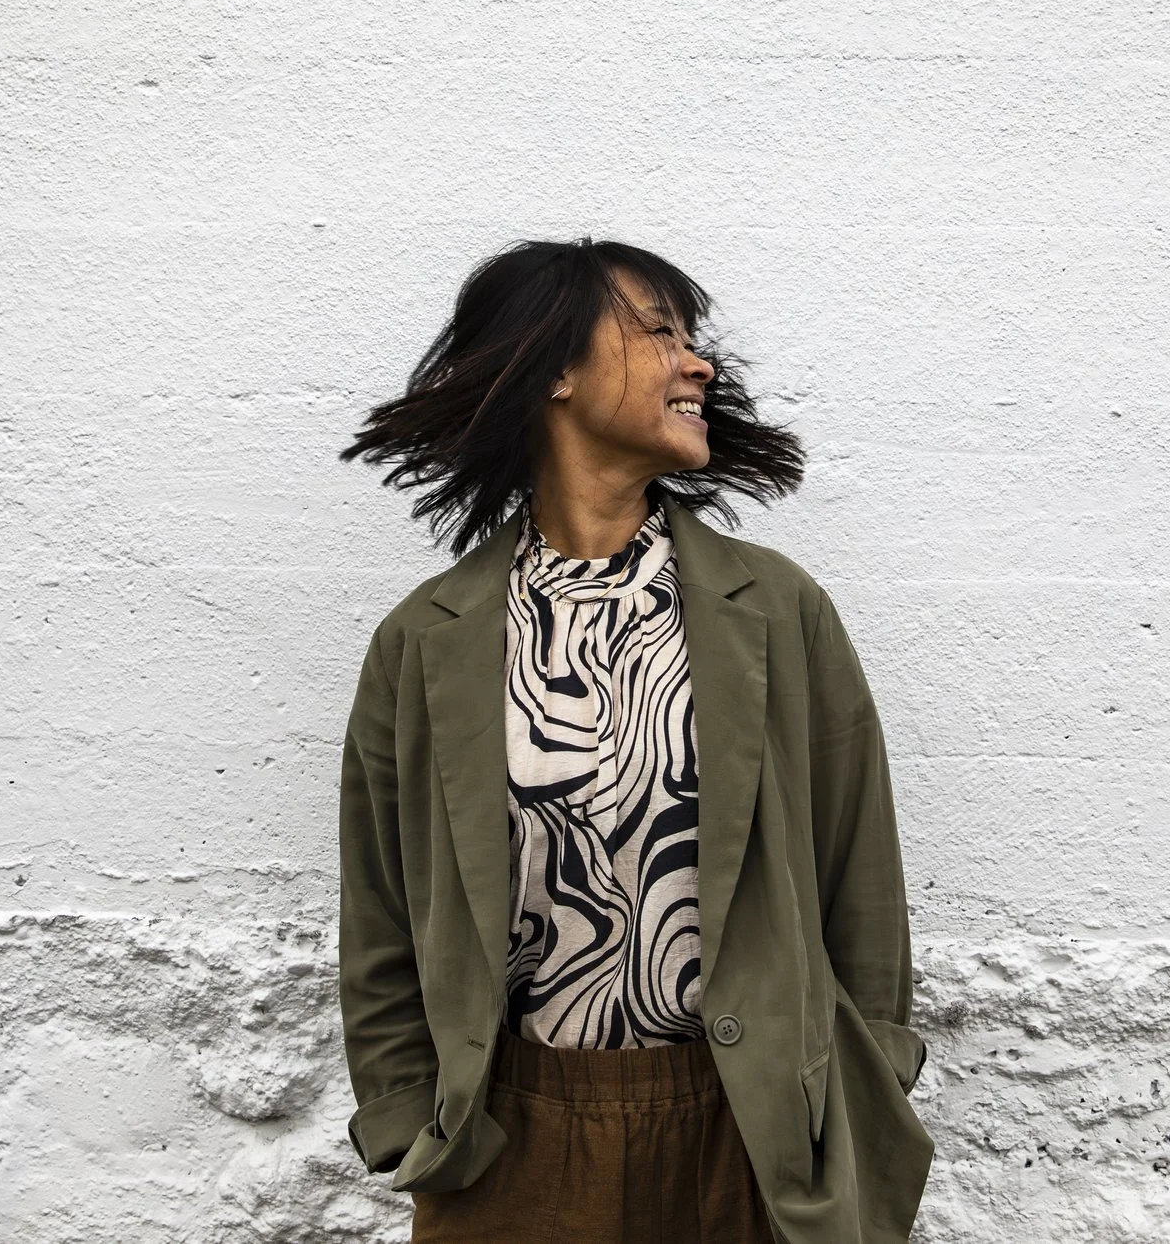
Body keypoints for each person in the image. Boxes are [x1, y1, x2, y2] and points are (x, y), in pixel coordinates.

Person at [335, 237, 933, 1244]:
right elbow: (381, 910)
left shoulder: (776, 611)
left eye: (692, 339)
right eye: (659, 332)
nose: (697, 363)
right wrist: (404, 1118)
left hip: (750, 1137)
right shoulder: (425, 641)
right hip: (507, 1142)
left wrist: (868, 1078)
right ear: (554, 369)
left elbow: (858, 873)